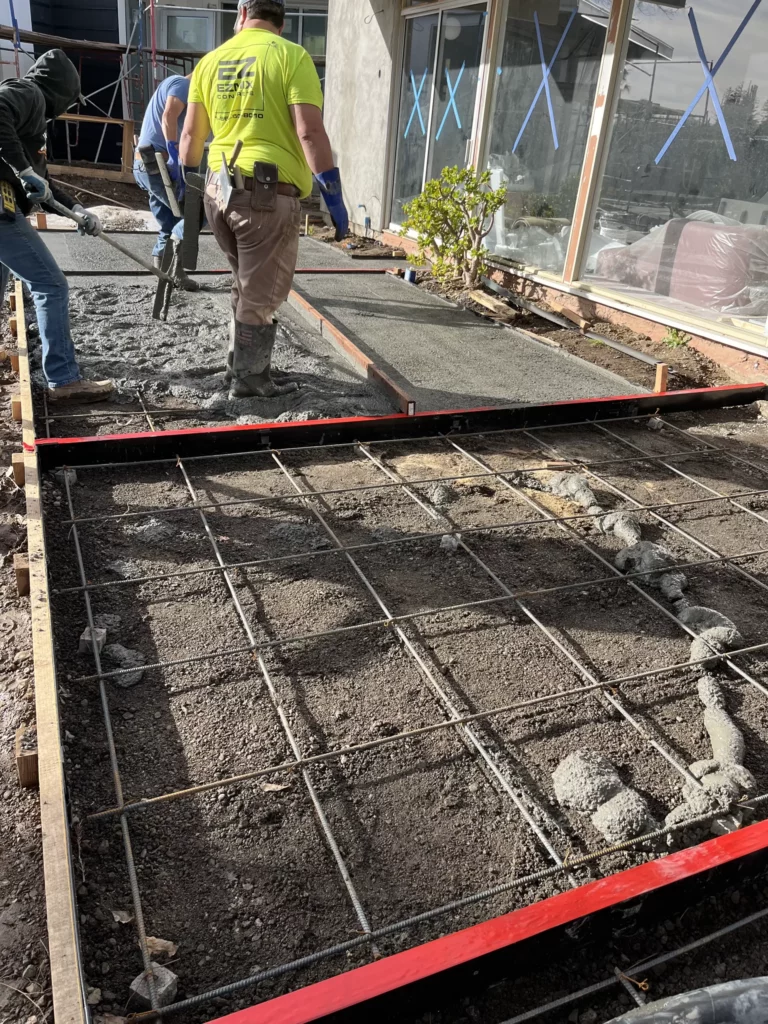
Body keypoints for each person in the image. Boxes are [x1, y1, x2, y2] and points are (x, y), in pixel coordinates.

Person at [179, 0, 349, 399]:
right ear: (282, 22)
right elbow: (309, 133)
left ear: (241, 14)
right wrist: (333, 193)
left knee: (244, 284)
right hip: (265, 195)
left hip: (218, 190)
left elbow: (190, 137)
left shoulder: (210, 61)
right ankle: (250, 381)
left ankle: (238, 366)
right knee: (262, 293)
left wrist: (188, 195)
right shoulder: (291, 56)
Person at [0, 50, 113, 401]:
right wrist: (23, 169)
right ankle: (64, 380)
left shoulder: (30, 123)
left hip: (5, 200)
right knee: (50, 284)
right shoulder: (28, 93)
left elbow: (44, 187)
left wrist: (78, 210)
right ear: (61, 90)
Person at [134, 73, 198, 290]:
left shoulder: (171, 82)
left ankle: (164, 271)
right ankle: (174, 273)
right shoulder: (183, 84)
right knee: (184, 215)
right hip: (157, 162)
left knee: (169, 220)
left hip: (147, 163)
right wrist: (172, 151)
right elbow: (169, 115)